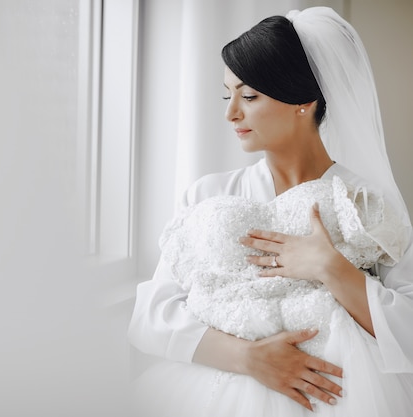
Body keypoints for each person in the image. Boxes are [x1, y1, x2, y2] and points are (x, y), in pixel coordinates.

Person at [128, 7, 413, 417]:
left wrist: (331, 267)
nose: (231, 113)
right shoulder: (210, 195)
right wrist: (249, 358)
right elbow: (150, 315)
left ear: (304, 101)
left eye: (248, 96)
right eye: (228, 95)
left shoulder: (363, 203)